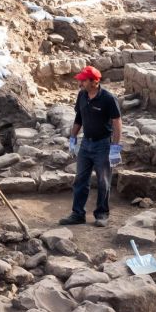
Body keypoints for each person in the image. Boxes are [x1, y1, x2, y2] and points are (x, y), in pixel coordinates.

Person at [59, 65, 122, 228]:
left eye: (83, 80)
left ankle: (102, 214)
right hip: (86, 143)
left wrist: (115, 147)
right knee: (80, 179)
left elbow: (117, 122)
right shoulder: (82, 95)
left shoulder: (108, 98)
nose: (80, 83)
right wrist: (73, 137)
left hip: (103, 144)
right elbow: (79, 118)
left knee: (103, 180)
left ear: (94, 82)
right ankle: (77, 214)